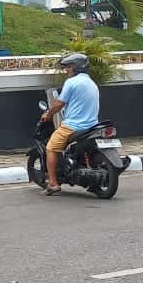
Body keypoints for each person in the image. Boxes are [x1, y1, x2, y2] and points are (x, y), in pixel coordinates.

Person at [41, 52, 100, 196]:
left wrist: (48, 114)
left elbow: (59, 104)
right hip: (92, 125)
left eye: (68, 67)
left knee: (51, 148)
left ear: (76, 67)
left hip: (73, 126)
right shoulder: (91, 82)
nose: (66, 70)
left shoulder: (71, 82)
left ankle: (53, 184)